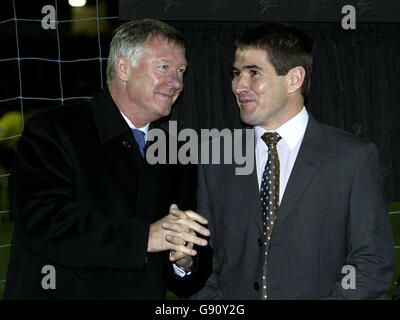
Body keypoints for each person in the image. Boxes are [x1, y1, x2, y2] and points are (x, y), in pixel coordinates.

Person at [3, 19, 209, 300]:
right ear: (124, 68)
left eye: (181, 70)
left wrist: (185, 262)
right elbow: (43, 222)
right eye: (163, 67)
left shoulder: (176, 150)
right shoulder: (54, 130)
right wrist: (144, 238)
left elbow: (188, 274)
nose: (176, 83)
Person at [191, 22, 395, 300]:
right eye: (236, 73)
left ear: (294, 79)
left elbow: (372, 263)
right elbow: (202, 260)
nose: (239, 86)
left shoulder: (352, 158)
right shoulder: (215, 159)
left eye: (254, 73)